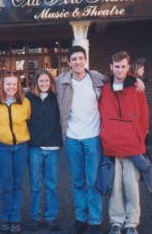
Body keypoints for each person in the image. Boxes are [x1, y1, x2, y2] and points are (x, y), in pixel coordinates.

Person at [55, 45, 107, 234]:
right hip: (72, 139)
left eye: (80, 58)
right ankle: (81, 218)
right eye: (74, 59)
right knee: (78, 181)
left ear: (85, 60)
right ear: (69, 62)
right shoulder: (61, 81)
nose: (77, 62)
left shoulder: (98, 79)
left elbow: (120, 79)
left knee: (92, 181)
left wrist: (136, 81)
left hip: (93, 139)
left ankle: (95, 220)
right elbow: (39, 86)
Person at [99, 51, 150, 234]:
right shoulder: (104, 89)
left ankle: (132, 223)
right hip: (111, 146)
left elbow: (143, 116)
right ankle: (116, 221)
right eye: (117, 67)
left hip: (131, 146)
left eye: (123, 66)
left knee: (131, 186)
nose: (120, 70)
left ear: (128, 68)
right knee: (115, 188)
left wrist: (139, 138)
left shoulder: (137, 87)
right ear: (111, 67)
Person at [0, 72, 31, 234]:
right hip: (2, 147)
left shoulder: (25, 102)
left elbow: (30, 120)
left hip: (21, 147)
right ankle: (6, 217)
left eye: (14, 84)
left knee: (18, 184)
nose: (11, 87)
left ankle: (15, 218)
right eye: (7, 84)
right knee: (6, 184)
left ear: (18, 85)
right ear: (2, 86)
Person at [26, 69, 63, 232]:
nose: (44, 84)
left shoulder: (57, 98)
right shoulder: (28, 98)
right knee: (34, 185)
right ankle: (34, 216)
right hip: (35, 148)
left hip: (53, 147)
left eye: (47, 81)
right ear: (36, 82)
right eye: (41, 81)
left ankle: (51, 217)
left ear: (51, 82)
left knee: (51, 185)